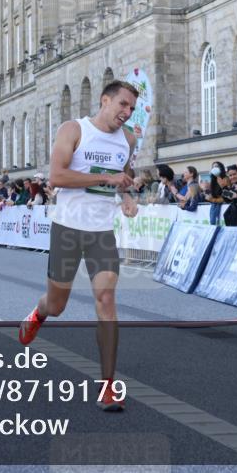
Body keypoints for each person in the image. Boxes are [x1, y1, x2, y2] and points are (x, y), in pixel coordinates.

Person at [18, 80, 140, 412]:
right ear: (105, 100)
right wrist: (106, 180)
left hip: (101, 232)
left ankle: (109, 386)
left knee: (106, 299)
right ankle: (39, 313)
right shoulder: (74, 130)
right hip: (68, 229)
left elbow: (122, 177)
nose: (127, 113)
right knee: (57, 305)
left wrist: (126, 197)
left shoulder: (127, 140)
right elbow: (56, 177)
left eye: (131, 108)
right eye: (123, 105)